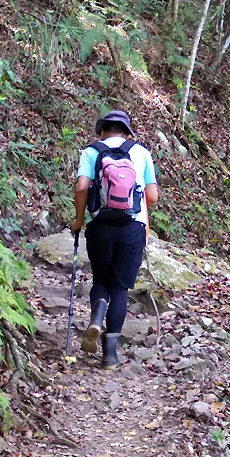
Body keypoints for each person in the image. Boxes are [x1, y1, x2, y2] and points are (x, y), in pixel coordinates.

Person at [71, 110, 159, 369]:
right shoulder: (141, 153)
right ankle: (109, 356)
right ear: (127, 132)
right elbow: (152, 196)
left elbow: (81, 187)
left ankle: (97, 317)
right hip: (132, 228)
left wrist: (78, 219)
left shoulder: (91, 151)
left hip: (100, 225)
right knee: (120, 288)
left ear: (102, 131)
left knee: (101, 280)